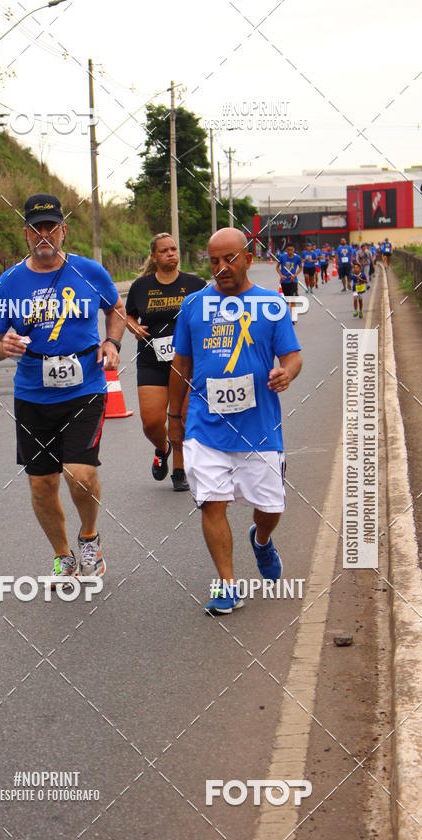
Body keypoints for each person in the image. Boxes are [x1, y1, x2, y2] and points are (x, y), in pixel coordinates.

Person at [0, 193, 126, 580]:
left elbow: (116, 308)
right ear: (26, 233)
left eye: (51, 227)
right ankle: (63, 555)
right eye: (36, 228)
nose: (44, 234)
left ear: (64, 230)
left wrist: (112, 343)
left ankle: (89, 537)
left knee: (79, 473)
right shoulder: (11, 282)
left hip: (85, 388)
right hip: (32, 393)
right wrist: (0, 347)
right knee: (42, 484)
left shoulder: (90, 272)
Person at [168, 228, 302, 615]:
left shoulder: (271, 305)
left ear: (247, 258)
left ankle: (260, 540)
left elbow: (292, 356)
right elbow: (181, 364)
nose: (221, 268)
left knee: (271, 507)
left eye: (229, 259)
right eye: (213, 261)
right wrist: (174, 417)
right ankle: (227, 585)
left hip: (260, 429)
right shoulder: (194, 305)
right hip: (205, 426)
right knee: (213, 503)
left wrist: (287, 373)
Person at [125, 234, 205, 491]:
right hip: (152, 362)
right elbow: (129, 316)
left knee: (181, 418)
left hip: (187, 363)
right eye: (164, 251)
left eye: (174, 249)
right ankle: (162, 448)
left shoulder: (196, 285)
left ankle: (180, 470)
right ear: (154, 256)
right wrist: (134, 326)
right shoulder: (141, 287)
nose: (171, 254)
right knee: (151, 422)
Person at [275, 243, 302, 316]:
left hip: (293, 281)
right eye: (288, 250)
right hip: (284, 282)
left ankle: (292, 317)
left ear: (294, 250)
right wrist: (281, 275)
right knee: (287, 300)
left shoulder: (297, 258)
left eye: (291, 250)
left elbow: (300, 267)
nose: (290, 251)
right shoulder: (282, 257)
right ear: (286, 250)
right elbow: (277, 267)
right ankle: (287, 317)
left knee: (293, 300)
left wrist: (295, 275)